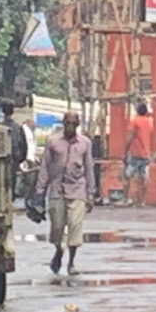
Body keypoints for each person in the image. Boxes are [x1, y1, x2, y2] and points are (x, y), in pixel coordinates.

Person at [41, 109, 94, 276]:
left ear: (78, 125)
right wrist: (39, 191)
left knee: (75, 226)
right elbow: (45, 167)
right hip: (57, 190)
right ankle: (58, 250)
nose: (70, 126)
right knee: (57, 227)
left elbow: (89, 168)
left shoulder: (85, 143)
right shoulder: (52, 142)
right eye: (67, 123)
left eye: (73, 123)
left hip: (77, 190)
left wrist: (90, 194)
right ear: (63, 123)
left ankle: (71, 263)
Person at [120, 100, 155, 206]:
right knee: (142, 179)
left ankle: (125, 199)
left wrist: (125, 152)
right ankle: (142, 201)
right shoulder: (150, 122)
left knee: (127, 176)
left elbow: (129, 138)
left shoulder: (134, 121)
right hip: (146, 154)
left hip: (135, 154)